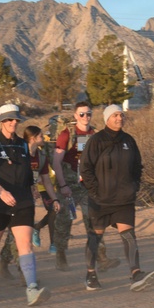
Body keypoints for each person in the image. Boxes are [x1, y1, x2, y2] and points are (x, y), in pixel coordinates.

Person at [0, 104, 49, 306]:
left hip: (22, 201)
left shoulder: (23, 145)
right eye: (8, 120)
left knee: (24, 244)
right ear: (1, 121)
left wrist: (32, 186)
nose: (12, 123)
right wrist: (0, 191)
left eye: (15, 119)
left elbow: (26, 172)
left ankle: (32, 289)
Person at [79, 105, 154, 292]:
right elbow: (85, 168)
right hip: (101, 201)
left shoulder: (129, 140)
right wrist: (95, 191)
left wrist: (134, 187)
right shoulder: (96, 141)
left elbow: (138, 166)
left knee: (129, 236)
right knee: (94, 238)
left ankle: (136, 273)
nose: (120, 118)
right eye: (115, 115)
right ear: (107, 118)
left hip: (124, 200)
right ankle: (90, 274)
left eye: (121, 115)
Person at [52, 101, 116, 274]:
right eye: (82, 114)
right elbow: (56, 162)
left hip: (89, 185)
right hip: (69, 184)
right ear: (75, 116)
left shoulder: (95, 134)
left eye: (88, 114)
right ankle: (60, 253)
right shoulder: (67, 134)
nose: (85, 117)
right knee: (64, 220)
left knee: (95, 220)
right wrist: (63, 185)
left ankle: (101, 257)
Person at [23, 126, 64, 269]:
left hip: (35, 191)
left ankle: (50, 241)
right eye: (41, 136)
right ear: (33, 138)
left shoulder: (41, 155)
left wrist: (55, 199)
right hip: (19, 196)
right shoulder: (20, 152)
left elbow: (46, 179)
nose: (44, 139)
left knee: (54, 209)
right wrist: (31, 187)